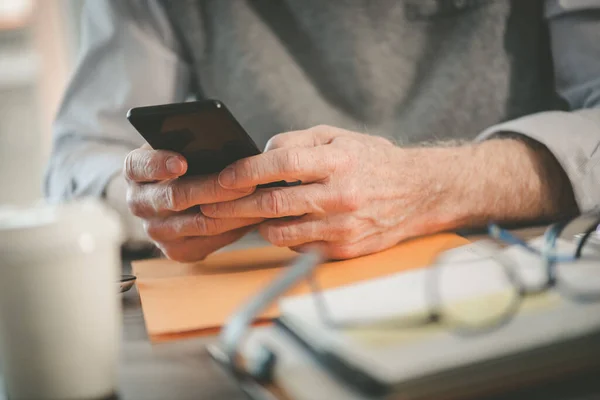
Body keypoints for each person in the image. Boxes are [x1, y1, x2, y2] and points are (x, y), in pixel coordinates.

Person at [46, 0, 599, 261]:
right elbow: (78, 162)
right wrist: (155, 203)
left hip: (526, 279)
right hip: (267, 304)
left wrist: (434, 186)